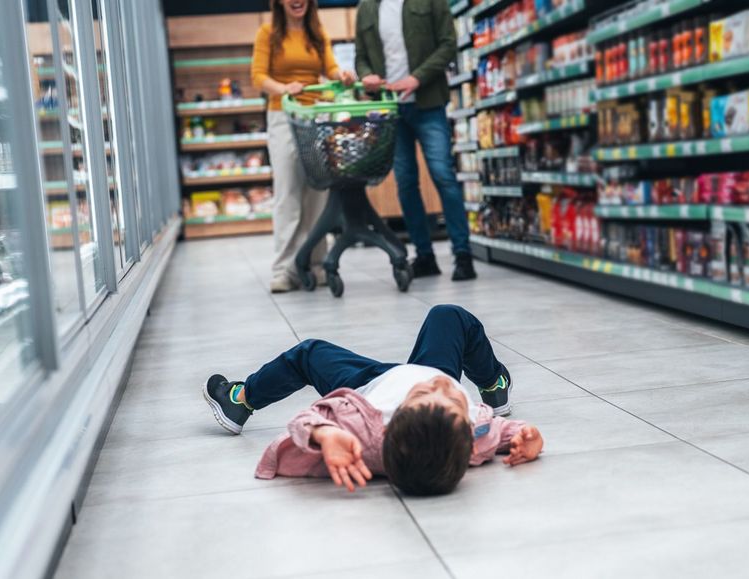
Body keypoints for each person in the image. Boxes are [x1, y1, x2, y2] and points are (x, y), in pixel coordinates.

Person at [203, 305, 544, 495]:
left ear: (394, 420)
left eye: (425, 394)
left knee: (308, 353)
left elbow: (298, 429)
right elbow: (499, 432)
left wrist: (326, 435)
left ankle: (241, 400)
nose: (441, 387)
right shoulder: (472, 433)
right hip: (420, 368)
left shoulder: (361, 432)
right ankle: (493, 383)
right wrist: (528, 438)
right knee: (448, 316)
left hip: (370, 385)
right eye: (453, 399)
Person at [354, 0, 477, 282]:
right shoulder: (366, 7)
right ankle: (424, 256)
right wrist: (366, 76)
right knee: (406, 182)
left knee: (443, 175)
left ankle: (463, 254)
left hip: (428, 101)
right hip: (391, 107)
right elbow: (361, 57)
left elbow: (448, 43)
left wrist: (416, 78)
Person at [252, 0, 355, 293]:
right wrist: (284, 88)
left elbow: (330, 67)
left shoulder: (316, 33)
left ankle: (317, 263)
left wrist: (341, 75)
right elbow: (258, 76)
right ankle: (284, 269)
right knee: (288, 192)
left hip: (315, 116)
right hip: (283, 115)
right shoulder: (268, 33)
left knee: (317, 193)